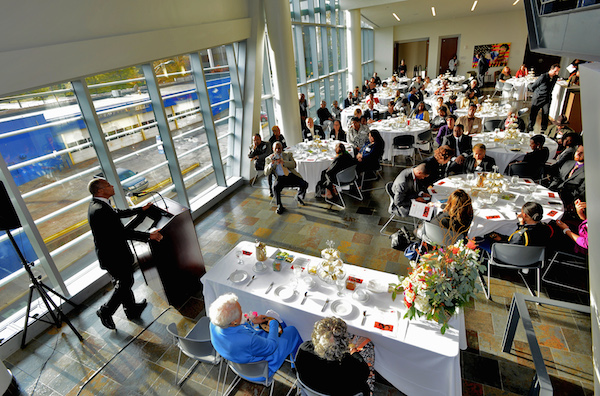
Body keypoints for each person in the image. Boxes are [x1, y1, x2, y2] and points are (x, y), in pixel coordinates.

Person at [88, 178, 163, 330]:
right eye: (108, 185)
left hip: (114, 253)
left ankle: (131, 309)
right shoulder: (100, 209)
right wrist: (149, 236)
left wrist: (140, 209)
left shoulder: (100, 204)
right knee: (125, 282)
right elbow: (122, 233)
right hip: (113, 256)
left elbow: (117, 213)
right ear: (100, 190)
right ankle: (105, 311)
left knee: (125, 281)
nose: (112, 186)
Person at [208, 293, 303, 380]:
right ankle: (298, 363)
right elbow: (271, 347)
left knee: (278, 330)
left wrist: (250, 321)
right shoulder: (248, 339)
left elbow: (236, 327)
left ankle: (290, 349)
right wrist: (274, 323)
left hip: (237, 363)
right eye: (241, 311)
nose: (242, 311)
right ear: (234, 322)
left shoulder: (214, 323)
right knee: (292, 331)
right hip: (261, 369)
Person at [295, 317, 373, 396]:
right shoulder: (352, 366)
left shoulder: (304, 349)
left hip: (310, 390)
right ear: (345, 345)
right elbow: (365, 374)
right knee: (368, 347)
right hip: (342, 391)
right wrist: (354, 352)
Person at [265, 141, 309, 214]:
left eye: (279, 148)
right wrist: (271, 164)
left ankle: (299, 196)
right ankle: (279, 205)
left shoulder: (288, 155)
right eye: (276, 148)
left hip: (290, 175)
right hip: (280, 178)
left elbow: (294, 165)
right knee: (275, 188)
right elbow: (266, 172)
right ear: (273, 149)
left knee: (304, 184)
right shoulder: (269, 159)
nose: (277, 150)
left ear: (282, 148)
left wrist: (283, 162)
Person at [488, 202, 553, 248]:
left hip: (518, 258)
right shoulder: (548, 228)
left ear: (524, 215)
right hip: (538, 257)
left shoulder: (521, 234)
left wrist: (500, 239)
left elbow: (511, 245)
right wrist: (522, 224)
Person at [528, 64, 561, 132]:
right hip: (538, 97)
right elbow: (533, 86)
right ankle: (530, 128)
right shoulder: (543, 76)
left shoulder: (555, 77)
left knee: (546, 113)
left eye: (558, 71)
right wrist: (537, 93)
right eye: (555, 71)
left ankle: (544, 130)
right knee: (534, 113)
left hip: (547, 98)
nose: (557, 73)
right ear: (551, 69)